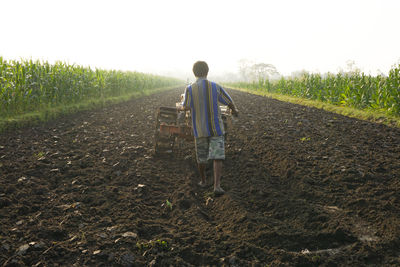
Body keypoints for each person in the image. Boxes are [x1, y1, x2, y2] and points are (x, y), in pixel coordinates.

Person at [180, 61, 238, 195]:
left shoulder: (189, 89)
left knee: (201, 157)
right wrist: (234, 111)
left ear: (194, 73)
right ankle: (217, 186)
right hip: (216, 128)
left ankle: (203, 181)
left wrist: (183, 107)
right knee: (217, 157)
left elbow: (186, 106)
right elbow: (228, 101)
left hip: (199, 129)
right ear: (207, 72)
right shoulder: (215, 86)